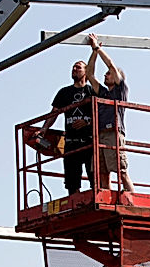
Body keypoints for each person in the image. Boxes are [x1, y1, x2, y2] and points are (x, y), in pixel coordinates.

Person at [85, 33, 135, 196]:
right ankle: (106, 197)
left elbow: (111, 65)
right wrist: (93, 52)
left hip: (114, 132)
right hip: (100, 135)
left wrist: (98, 49)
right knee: (102, 173)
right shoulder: (104, 93)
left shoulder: (120, 90)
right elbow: (90, 75)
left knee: (121, 170)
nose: (105, 75)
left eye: (108, 74)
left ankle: (131, 196)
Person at [48, 58, 96, 195]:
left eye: (78, 67)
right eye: (73, 67)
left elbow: (102, 114)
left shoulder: (92, 91)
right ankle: (75, 205)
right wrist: (43, 130)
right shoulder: (64, 92)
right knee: (71, 183)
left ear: (86, 72)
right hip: (71, 143)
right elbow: (54, 114)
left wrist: (88, 122)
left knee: (95, 180)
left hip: (89, 142)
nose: (74, 69)